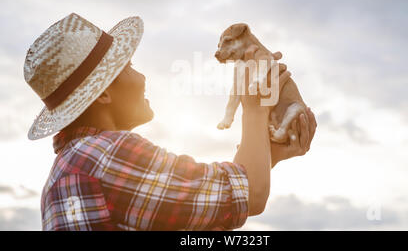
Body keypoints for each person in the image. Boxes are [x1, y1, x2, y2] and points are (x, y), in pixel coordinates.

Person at [24, 13, 316, 231]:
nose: (142, 76)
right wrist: (255, 107)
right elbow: (250, 195)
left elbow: (212, 211)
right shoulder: (109, 154)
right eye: (129, 67)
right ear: (102, 95)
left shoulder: (68, 168)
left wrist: (269, 156)